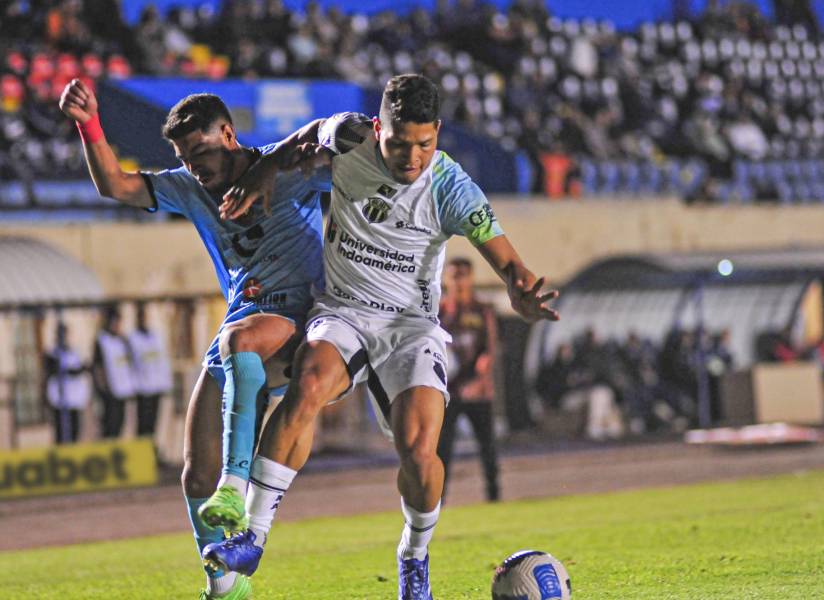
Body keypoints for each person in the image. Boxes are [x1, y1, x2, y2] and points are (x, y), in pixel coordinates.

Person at [207, 74, 559, 600]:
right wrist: (264, 171)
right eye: (398, 143)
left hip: (410, 328)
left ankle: (414, 557)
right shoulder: (348, 138)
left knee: (420, 453)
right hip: (343, 311)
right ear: (378, 128)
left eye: (424, 143)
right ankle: (252, 537)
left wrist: (521, 291)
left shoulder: (452, 187)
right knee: (309, 383)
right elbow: (300, 141)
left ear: (437, 132)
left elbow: (506, 259)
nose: (411, 157)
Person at [59, 78, 330, 600]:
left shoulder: (286, 168)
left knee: (240, 345)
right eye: (183, 157)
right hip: (242, 321)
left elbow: (349, 154)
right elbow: (115, 184)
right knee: (192, 475)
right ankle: (226, 587)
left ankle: (238, 486)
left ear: (228, 134)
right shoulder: (189, 187)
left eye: (200, 151)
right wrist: (89, 123)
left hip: (298, 317)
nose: (193, 166)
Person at [437, 257, 500, 502]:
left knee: (487, 447)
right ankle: (437, 503)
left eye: (463, 274)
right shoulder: (439, 311)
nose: (458, 280)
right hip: (448, 393)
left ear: (471, 278)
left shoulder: (481, 311)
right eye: (454, 274)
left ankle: (494, 498)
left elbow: (489, 350)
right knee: (442, 450)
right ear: (446, 278)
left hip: (478, 392)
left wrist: (478, 376)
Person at [128, 302, 173, 439]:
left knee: (154, 423)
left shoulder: (156, 336)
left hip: (156, 386)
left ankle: (152, 448)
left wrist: (166, 382)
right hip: (142, 388)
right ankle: (142, 450)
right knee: (143, 423)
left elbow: (162, 361)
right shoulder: (132, 338)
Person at [43, 321, 91, 444]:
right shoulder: (52, 353)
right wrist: (78, 370)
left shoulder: (74, 352)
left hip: (75, 401)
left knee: (75, 433)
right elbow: (60, 370)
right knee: (61, 435)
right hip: (60, 402)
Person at [92, 305, 135, 439]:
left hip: (122, 389)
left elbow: (129, 362)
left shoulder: (122, 340)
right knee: (109, 424)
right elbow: (98, 367)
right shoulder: (101, 341)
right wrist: (103, 388)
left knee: (120, 423)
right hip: (109, 391)